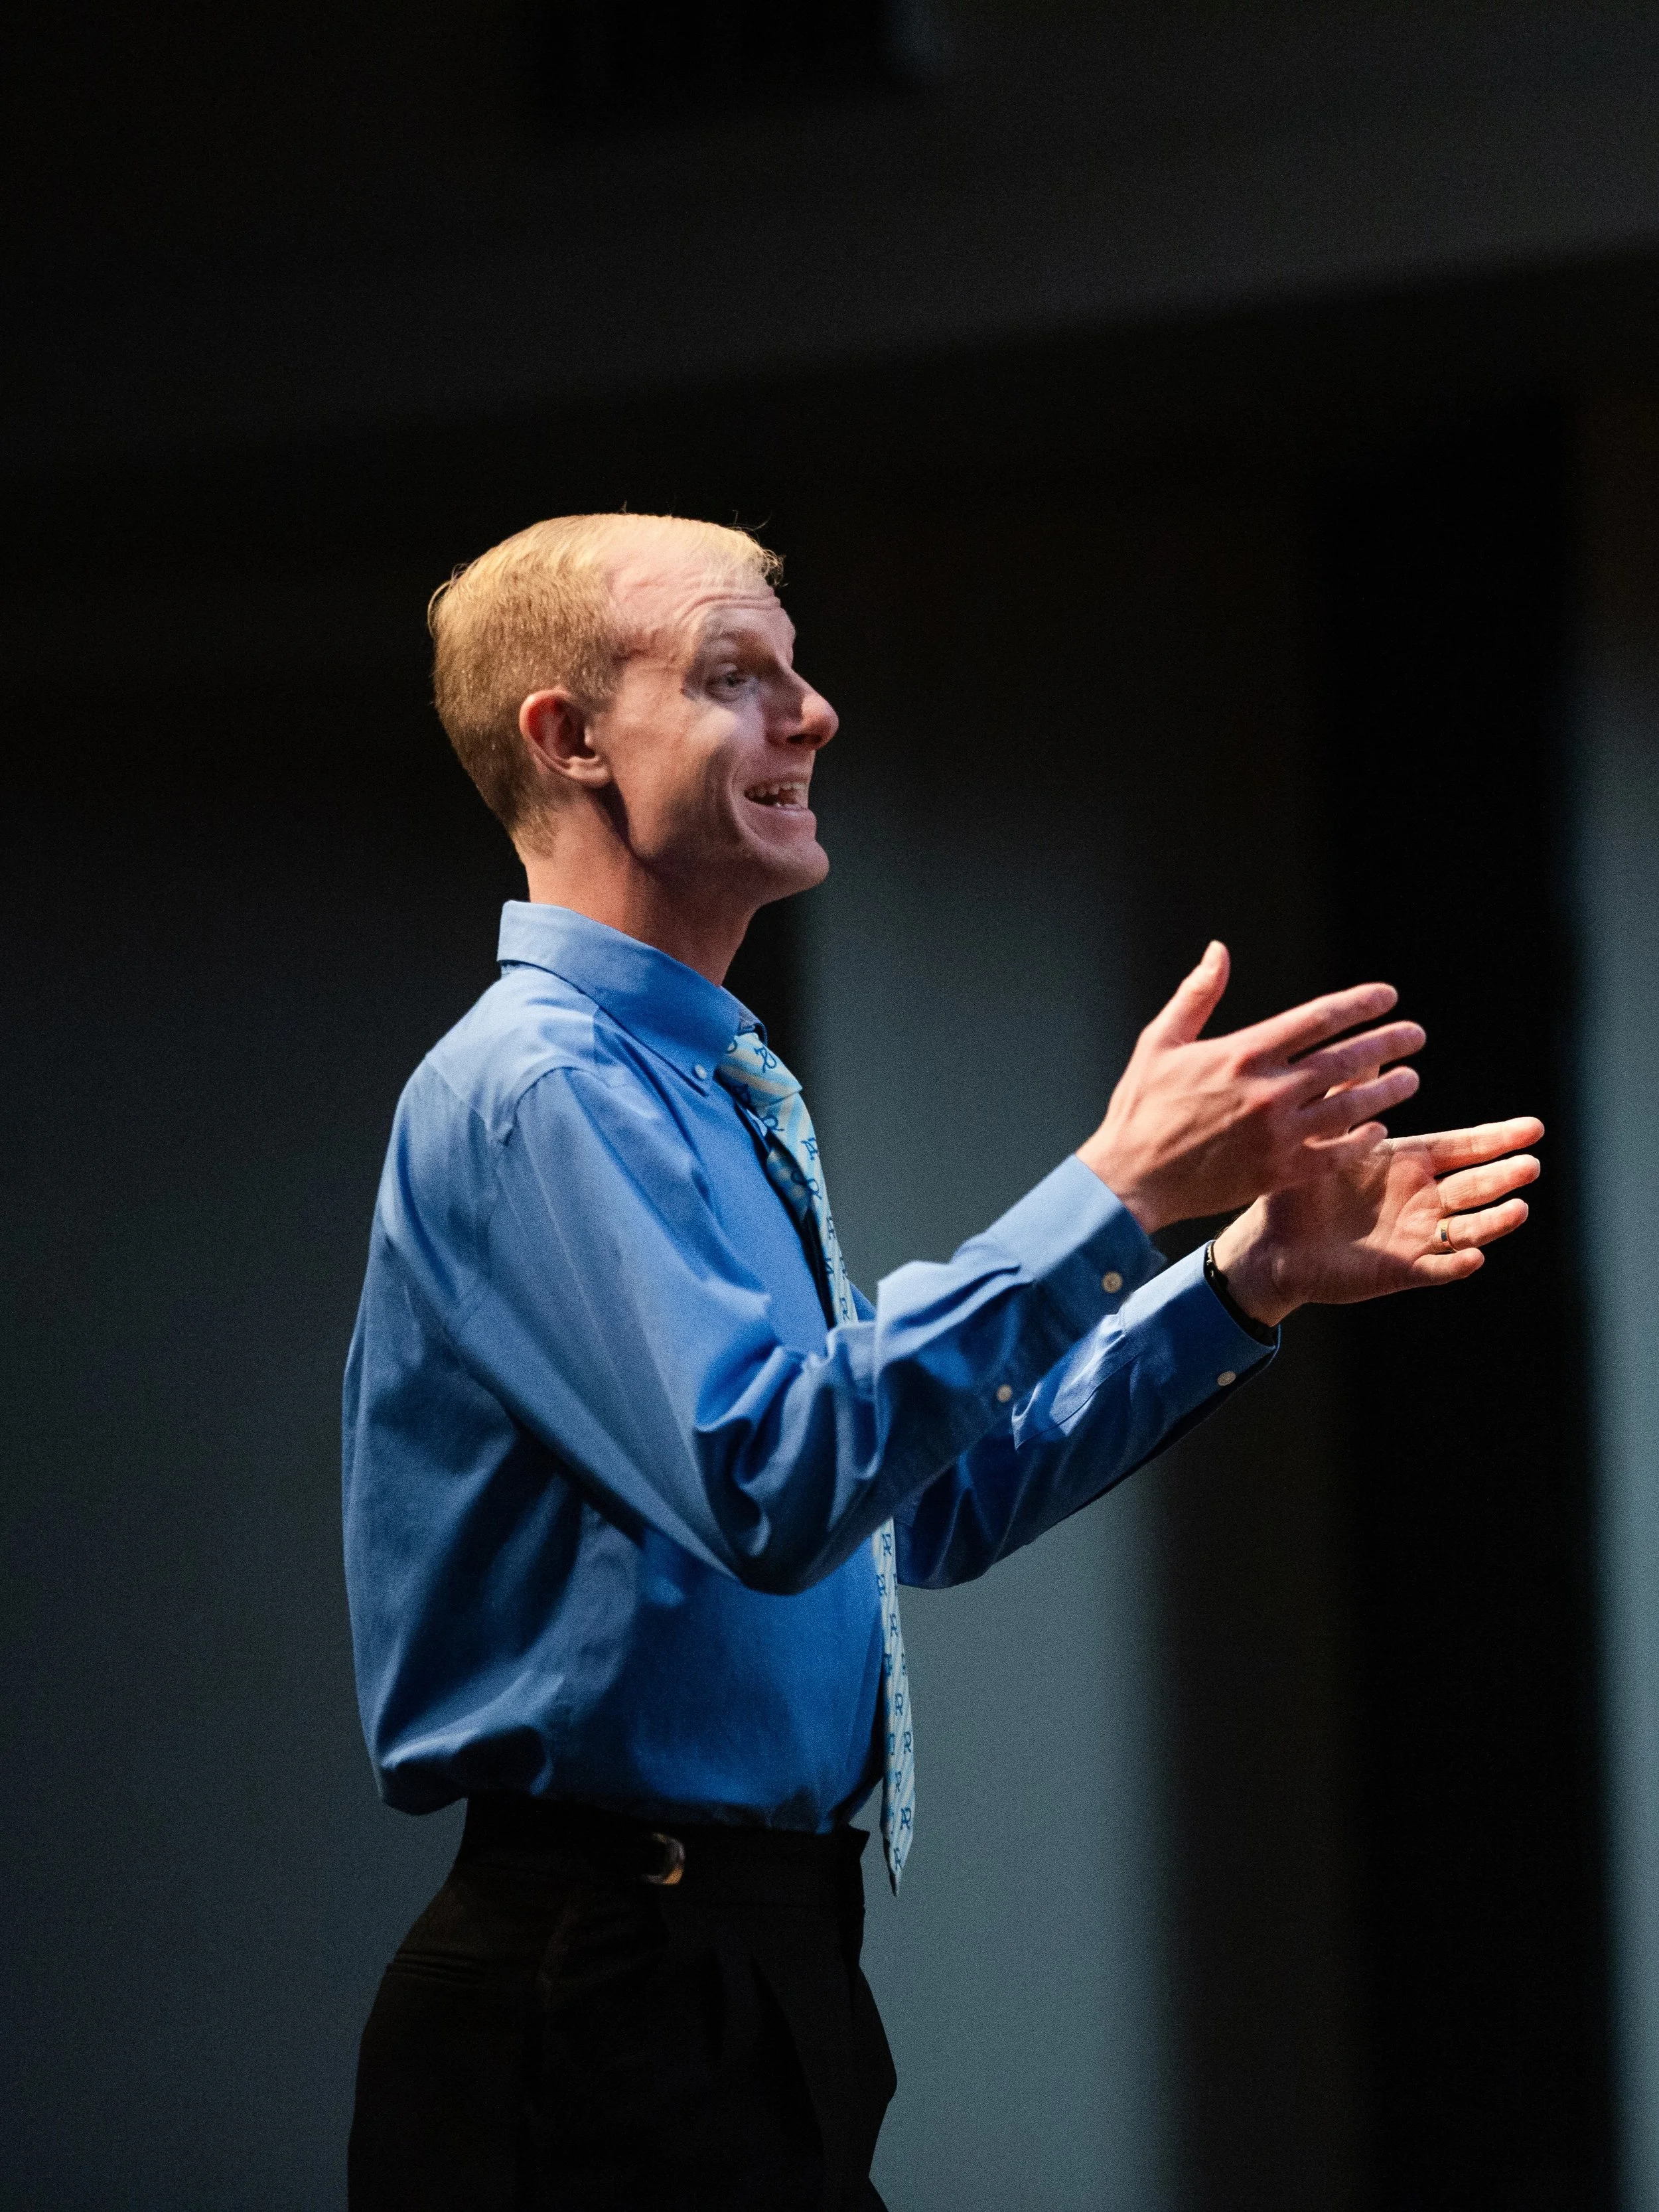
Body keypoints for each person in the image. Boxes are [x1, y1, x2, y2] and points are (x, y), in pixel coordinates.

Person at [342, 512, 1542, 2211]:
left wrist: (1239, 1280)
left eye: (799, 669)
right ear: (571, 738)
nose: (812, 711)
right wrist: (1112, 1189)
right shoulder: (543, 1090)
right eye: (733, 675)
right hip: (601, 1987)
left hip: (754, 1967)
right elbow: (768, 1476)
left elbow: (925, 1499)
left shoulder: (703, 1084)